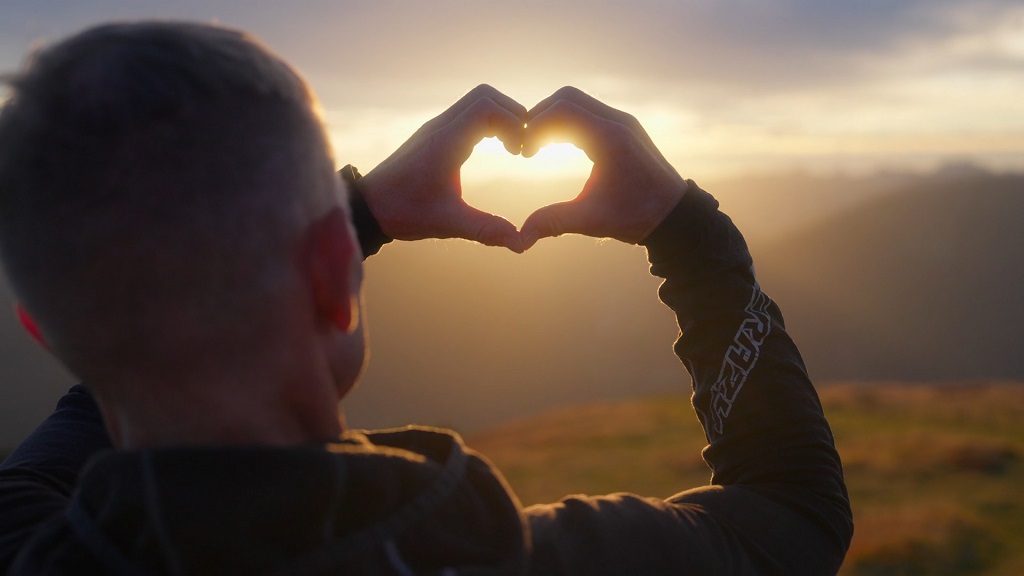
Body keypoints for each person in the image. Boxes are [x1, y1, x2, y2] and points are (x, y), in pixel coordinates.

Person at [0, 21, 852, 575]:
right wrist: (691, 237)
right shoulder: (524, 559)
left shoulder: (24, 543)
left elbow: (57, 446)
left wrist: (356, 217)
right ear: (337, 273)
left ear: (40, 329)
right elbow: (793, 513)